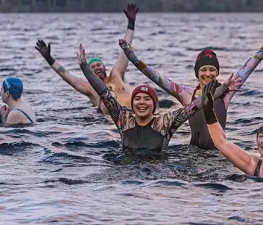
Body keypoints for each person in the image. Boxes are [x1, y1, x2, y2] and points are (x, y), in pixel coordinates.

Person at [117, 15, 263, 149]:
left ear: (217, 73)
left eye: (212, 69)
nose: (208, 74)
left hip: (219, 154)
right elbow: (155, 77)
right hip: (193, 154)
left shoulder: (226, 91)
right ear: (197, 73)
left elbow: (250, 66)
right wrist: (132, 56)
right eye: (203, 70)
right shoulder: (185, 94)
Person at [77, 44, 220, 152]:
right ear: (132, 104)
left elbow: (190, 109)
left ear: (154, 104)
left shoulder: (165, 123)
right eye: (137, 99)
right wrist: (84, 66)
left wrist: (208, 96)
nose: (142, 102)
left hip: (158, 173)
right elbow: (104, 93)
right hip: (127, 174)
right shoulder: (124, 120)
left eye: (147, 99)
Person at [35, 3, 139, 112]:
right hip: (115, 121)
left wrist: (131, 24)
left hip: (136, 112)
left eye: (98, 65)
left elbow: (125, 51)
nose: (96, 68)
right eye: (92, 67)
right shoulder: (91, 89)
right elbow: (67, 76)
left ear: (104, 67)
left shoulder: (116, 74)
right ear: (89, 72)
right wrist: (49, 58)